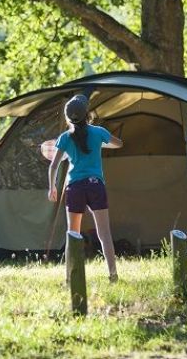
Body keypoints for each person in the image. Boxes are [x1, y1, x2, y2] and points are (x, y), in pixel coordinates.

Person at [47, 94, 123, 282]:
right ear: (87, 114)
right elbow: (119, 144)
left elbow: (54, 166)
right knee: (104, 233)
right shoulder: (98, 132)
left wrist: (52, 188)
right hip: (96, 186)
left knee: (72, 234)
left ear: (67, 118)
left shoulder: (64, 138)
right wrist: (101, 144)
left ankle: (69, 278)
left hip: (75, 187)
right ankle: (113, 274)